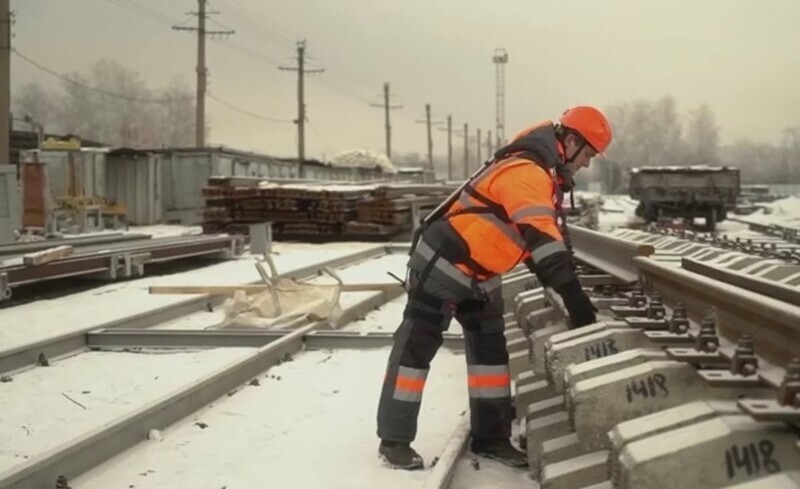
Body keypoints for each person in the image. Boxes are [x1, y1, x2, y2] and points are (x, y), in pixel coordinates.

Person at [376, 106, 613, 470]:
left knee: (491, 356)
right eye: (589, 155)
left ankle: (492, 438)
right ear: (570, 141)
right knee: (415, 351)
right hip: (444, 264)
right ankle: (394, 440)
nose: (587, 164)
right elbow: (542, 241)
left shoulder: (540, 173)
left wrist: (565, 288)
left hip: (482, 273)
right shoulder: (525, 173)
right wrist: (575, 300)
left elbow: (538, 241)